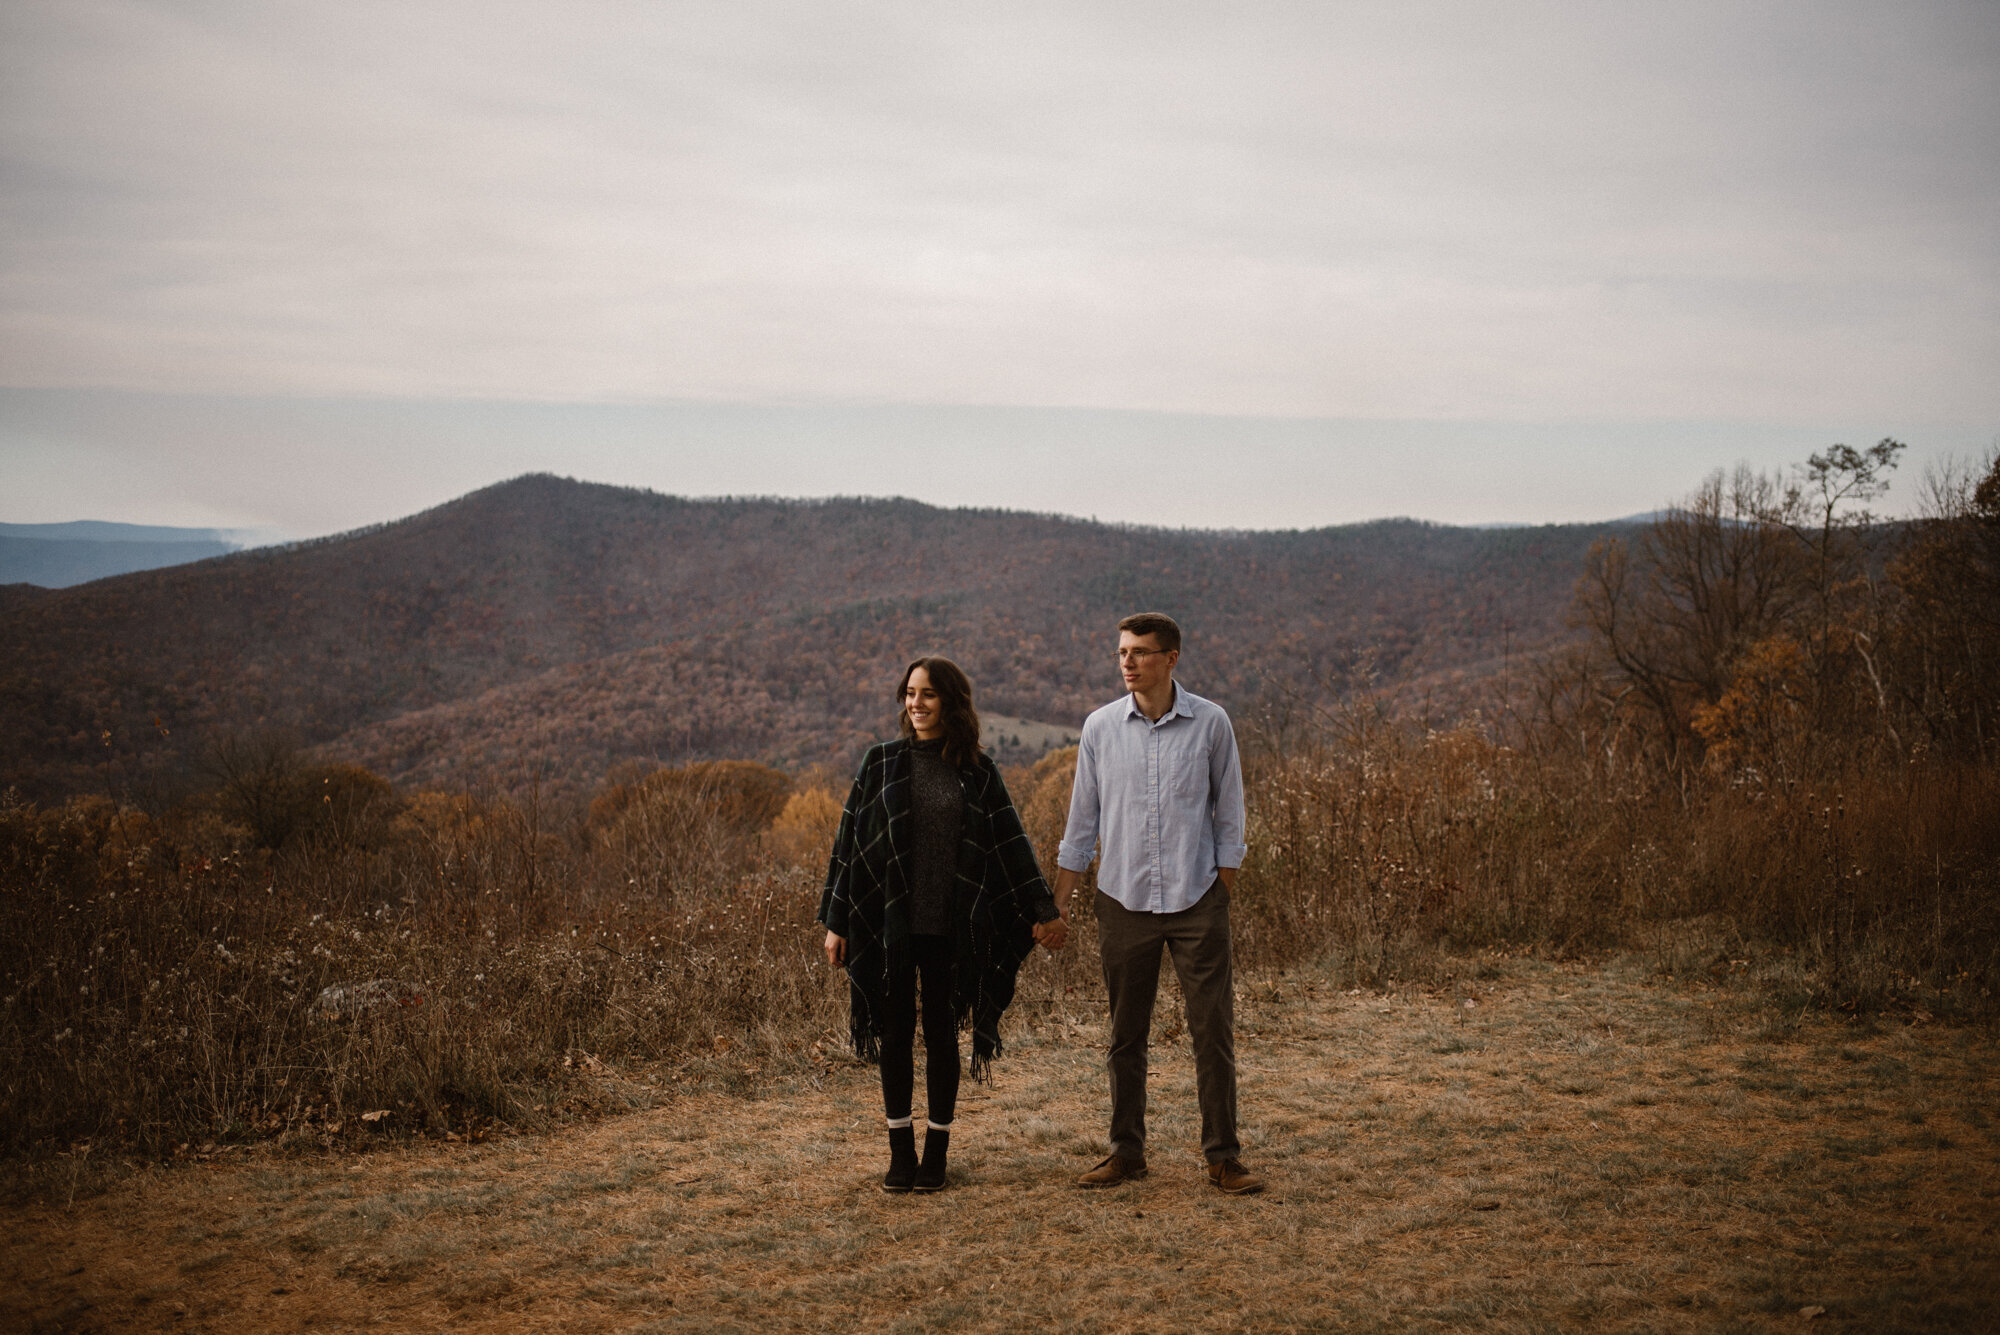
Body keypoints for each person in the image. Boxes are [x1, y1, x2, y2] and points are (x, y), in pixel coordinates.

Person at [819, 656, 1065, 1193]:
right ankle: (899, 1154)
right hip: (889, 926)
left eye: (928, 694)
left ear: (952, 702)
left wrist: (1045, 911)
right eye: (910, 693)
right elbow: (849, 849)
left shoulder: (977, 771)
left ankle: (936, 1154)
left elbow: (1009, 845)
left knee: (941, 1037)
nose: (916, 703)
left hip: (951, 927)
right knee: (894, 1036)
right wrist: (838, 922)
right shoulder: (879, 763)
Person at [1050, 612, 1262, 1194]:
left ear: (1171, 659)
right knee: (1126, 1033)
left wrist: (1221, 889)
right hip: (1123, 899)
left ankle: (1223, 1156)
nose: (1127, 661)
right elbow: (1081, 824)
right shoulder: (1099, 729)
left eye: (1140, 652)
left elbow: (1230, 815)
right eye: (1122, 651)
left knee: (1211, 1029)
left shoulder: (1212, 724)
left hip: (1198, 900)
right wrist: (1060, 904)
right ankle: (1126, 1152)